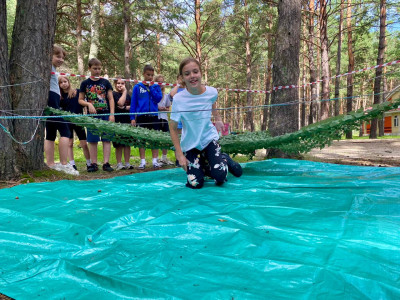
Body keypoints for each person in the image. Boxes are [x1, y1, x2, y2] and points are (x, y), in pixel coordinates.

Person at [169, 57, 242, 189]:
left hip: (209, 139)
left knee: (220, 178)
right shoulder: (178, 99)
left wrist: (218, 119)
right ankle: (204, 164)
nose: (192, 76)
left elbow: (212, 102)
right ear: (182, 78)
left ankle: (224, 159)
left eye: (195, 72)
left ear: (201, 73)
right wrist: (179, 154)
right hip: (191, 144)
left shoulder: (212, 92)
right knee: (195, 183)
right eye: (187, 74)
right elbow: (173, 128)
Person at [44, 45, 78, 176]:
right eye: (58, 56)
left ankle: (51, 163)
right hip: (52, 98)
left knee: (51, 132)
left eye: (63, 57)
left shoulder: (53, 70)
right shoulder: (49, 67)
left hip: (53, 98)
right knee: (65, 131)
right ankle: (64, 164)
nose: (61, 59)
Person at [78, 58, 115, 172]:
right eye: (95, 68)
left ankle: (106, 163)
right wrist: (88, 104)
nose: (97, 71)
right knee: (93, 140)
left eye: (99, 68)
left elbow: (110, 98)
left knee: (106, 139)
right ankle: (93, 164)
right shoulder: (85, 83)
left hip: (105, 114)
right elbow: (80, 100)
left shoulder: (105, 82)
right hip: (92, 116)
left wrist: (112, 114)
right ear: (89, 68)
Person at [130, 65, 163, 169]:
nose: (150, 77)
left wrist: (152, 88)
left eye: (152, 75)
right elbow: (133, 103)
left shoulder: (156, 86)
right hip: (141, 116)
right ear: (143, 74)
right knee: (142, 139)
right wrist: (132, 117)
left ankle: (155, 161)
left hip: (153, 116)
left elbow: (158, 99)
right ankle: (142, 161)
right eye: (148, 75)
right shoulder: (137, 87)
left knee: (155, 139)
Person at [58, 75, 91, 171]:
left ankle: (89, 164)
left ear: (69, 82)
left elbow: (83, 104)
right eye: (61, 82)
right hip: (67, 122)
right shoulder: (60, 97)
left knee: (84, 143)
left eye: (65, 81)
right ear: (59, 85)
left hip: (79, 121)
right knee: (69, 143)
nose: (64, 84)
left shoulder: (76, 92)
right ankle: (72, 164)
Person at [113, 76, 133, 170]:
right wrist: (125, 92)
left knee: (127, 143)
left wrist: (126, 108)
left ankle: (127, 163)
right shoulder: (114, 94)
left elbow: (132, 107)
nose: (120, 85)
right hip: (117, 121)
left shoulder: (128, 96)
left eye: (122, 83)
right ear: (115, 84)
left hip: (127, 121)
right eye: (118, 83)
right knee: (119, 144)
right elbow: (120, 103)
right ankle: (119, 163)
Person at [154, 74, 174, 166]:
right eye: (159, 82)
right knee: (157, 138)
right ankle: (156, 158)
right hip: (156, 118)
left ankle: (164, 158)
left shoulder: (165, 95)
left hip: (164, 118)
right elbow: (153, 105)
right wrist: (158, 108)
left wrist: (165, 109)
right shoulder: (154, 94)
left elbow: (168, 107)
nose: (161, 84)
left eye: (162, 82)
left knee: (165, 138)